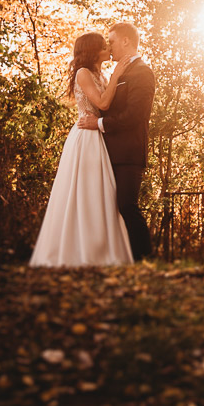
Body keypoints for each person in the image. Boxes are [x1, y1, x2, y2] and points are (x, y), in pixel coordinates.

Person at [31, 32, 133, 267]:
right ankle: (75, 249)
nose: (109, 48)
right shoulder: (83, 73)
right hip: (85, 137)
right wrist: (118, 74)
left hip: (98, 134)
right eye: (104, 45)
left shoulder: (101, 74)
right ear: (93, 50)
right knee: (83, 190)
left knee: (101, 192)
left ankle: (99, 247)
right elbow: (103, 103)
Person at [77, 22, 156, 261]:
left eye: (111, 41)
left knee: (126, 205)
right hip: (108, 151)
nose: (108, 46)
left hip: (128, 153)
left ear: (125, 41)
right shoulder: (116, 73)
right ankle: (117, 257)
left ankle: (144, 258)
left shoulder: (142, 72)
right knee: (110, 208)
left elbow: (135, 115)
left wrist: (99, 125)